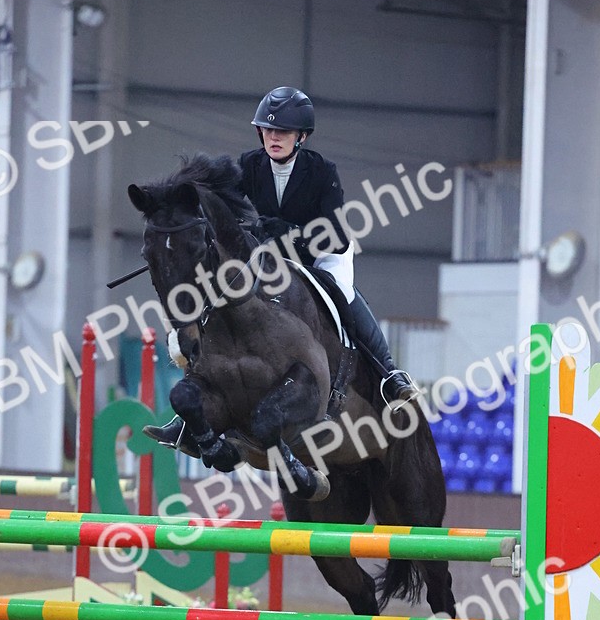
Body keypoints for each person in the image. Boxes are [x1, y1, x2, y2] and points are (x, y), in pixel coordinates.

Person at [145, 85, 417, 451]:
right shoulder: (248, 166)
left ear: (301, 136)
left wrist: (291, 233)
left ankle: (388, 373)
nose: (274, 138)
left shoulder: (321, 171)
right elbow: (215, 204)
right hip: (269, 259)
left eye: (283, 132)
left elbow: (336, 234)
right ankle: (193, 411)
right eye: (268, 130)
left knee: (342, 294)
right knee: (222, 298)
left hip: (321, 256)